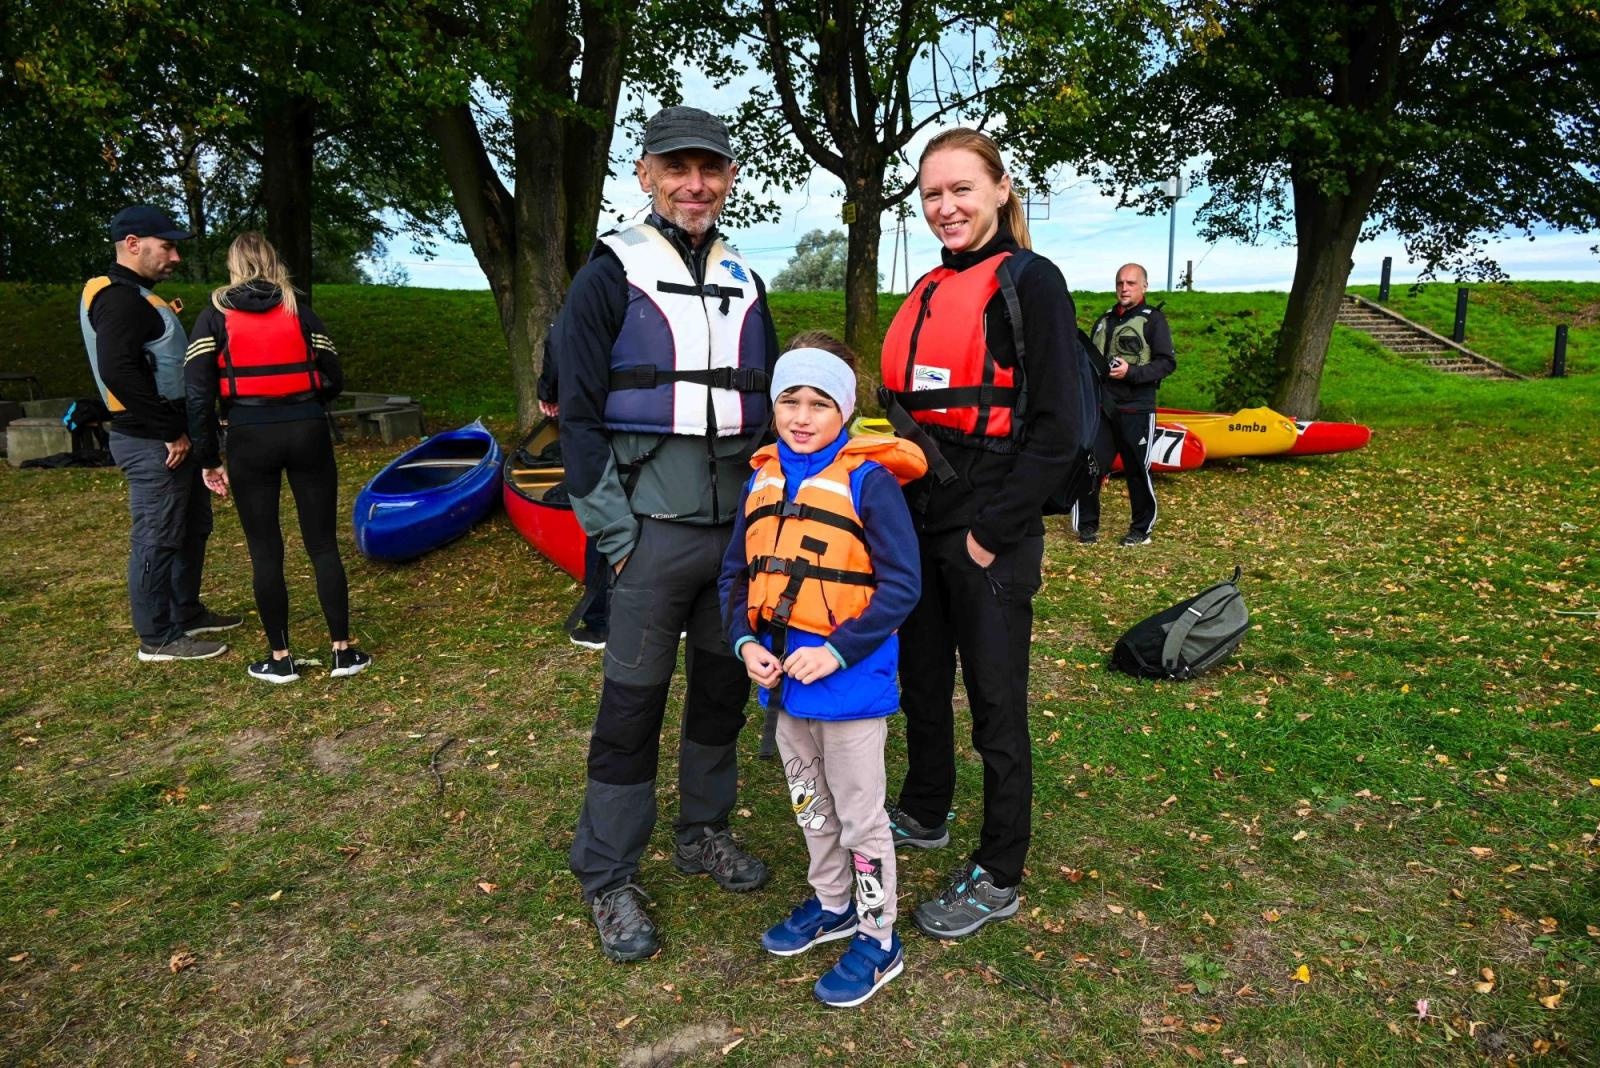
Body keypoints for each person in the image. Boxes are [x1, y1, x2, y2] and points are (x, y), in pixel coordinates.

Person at [554, 105, 781, 962]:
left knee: (721, 693)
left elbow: (779, 409)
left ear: (728, 180)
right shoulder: (608, 276)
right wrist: (615, 536)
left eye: (711, 169)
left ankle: (702, 831)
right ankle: (608, 873)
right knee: (632, 705)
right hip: (647, 532)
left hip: (735, 540)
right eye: (677, 168)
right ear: (645, 173)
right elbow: (576, 418)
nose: (696, 185)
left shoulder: (749, 279)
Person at [877, 129, 1087, 940]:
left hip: (989, 530)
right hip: (919, 520)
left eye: (962, 189)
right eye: (932, 194)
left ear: (1001, 189)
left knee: (997, 705)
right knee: (922, 684)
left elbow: (1057, 432)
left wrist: (990, 535)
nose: (946, 207)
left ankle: (1000, 871)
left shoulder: (1032, 282)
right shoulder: (932, 285)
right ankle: (925, 808)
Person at [719, 336, 924, 1008]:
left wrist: (837, 650)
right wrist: (746, 641)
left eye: (819, 403)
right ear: (774, 407)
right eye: (790, 401)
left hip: (850, 687)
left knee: (861, 818)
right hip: (781, 687)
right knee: (810, 804)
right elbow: (735, 576)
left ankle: (877, 936)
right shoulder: (761, 477)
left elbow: (902, 586)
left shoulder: (870, 482)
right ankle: (832, 902)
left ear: (844, 411)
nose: (802, 416)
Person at [184, 232, 370, 683]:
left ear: (234, 266)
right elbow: (333, 377)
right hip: (307, 430)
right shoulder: (300, 313)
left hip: (249, 434)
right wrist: (304, 401)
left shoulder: (214, 318)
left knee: (265, 549)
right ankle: (342, 652)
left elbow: (196, 394)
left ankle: (280, 657)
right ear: (273, 262)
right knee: (323, 543)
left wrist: (209, 457)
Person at [81, 205, 240, 662]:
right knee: (158, 533)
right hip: (153, 439)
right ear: (133, 244)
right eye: (167, 246)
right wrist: (171, 432)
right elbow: (118, 370)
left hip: (172, 434)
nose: (174, 257)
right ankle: (158, 637)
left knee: (193, 525)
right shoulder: (120, 300)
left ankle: (186, 612)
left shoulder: (137, 294)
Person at [1076, 263, 1176, 546]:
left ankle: (1141, 529)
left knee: (1136, 470)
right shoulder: (1104, 319)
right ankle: (1087, 526)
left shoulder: (1153, 320)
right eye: (1120, 282)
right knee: (1090, 465)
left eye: (1131, 283)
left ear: (1144, 286)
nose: (1124, 288)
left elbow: (1167, 363)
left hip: (1137, 408)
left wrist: (1131, 373)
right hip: (1102, 409)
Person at [536, 338, 610, 650]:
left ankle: (600, 624)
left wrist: (548, 393)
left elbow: (559, 342)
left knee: (602, 520)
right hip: (651, 433)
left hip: (596, 428)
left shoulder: (583, 304)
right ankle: (678, 618)